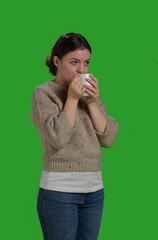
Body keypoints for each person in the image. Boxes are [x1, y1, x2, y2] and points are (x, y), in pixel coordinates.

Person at [30, 32, 119, 240]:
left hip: (94, 190)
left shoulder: (90, 96)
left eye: (86, 63)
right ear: (57, 61)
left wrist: (91, 102)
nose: (82, 70)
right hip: (59, 192)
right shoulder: (43, 93)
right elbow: (58, 137)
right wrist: (71, 98)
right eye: (74, 62)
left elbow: (109, 138)